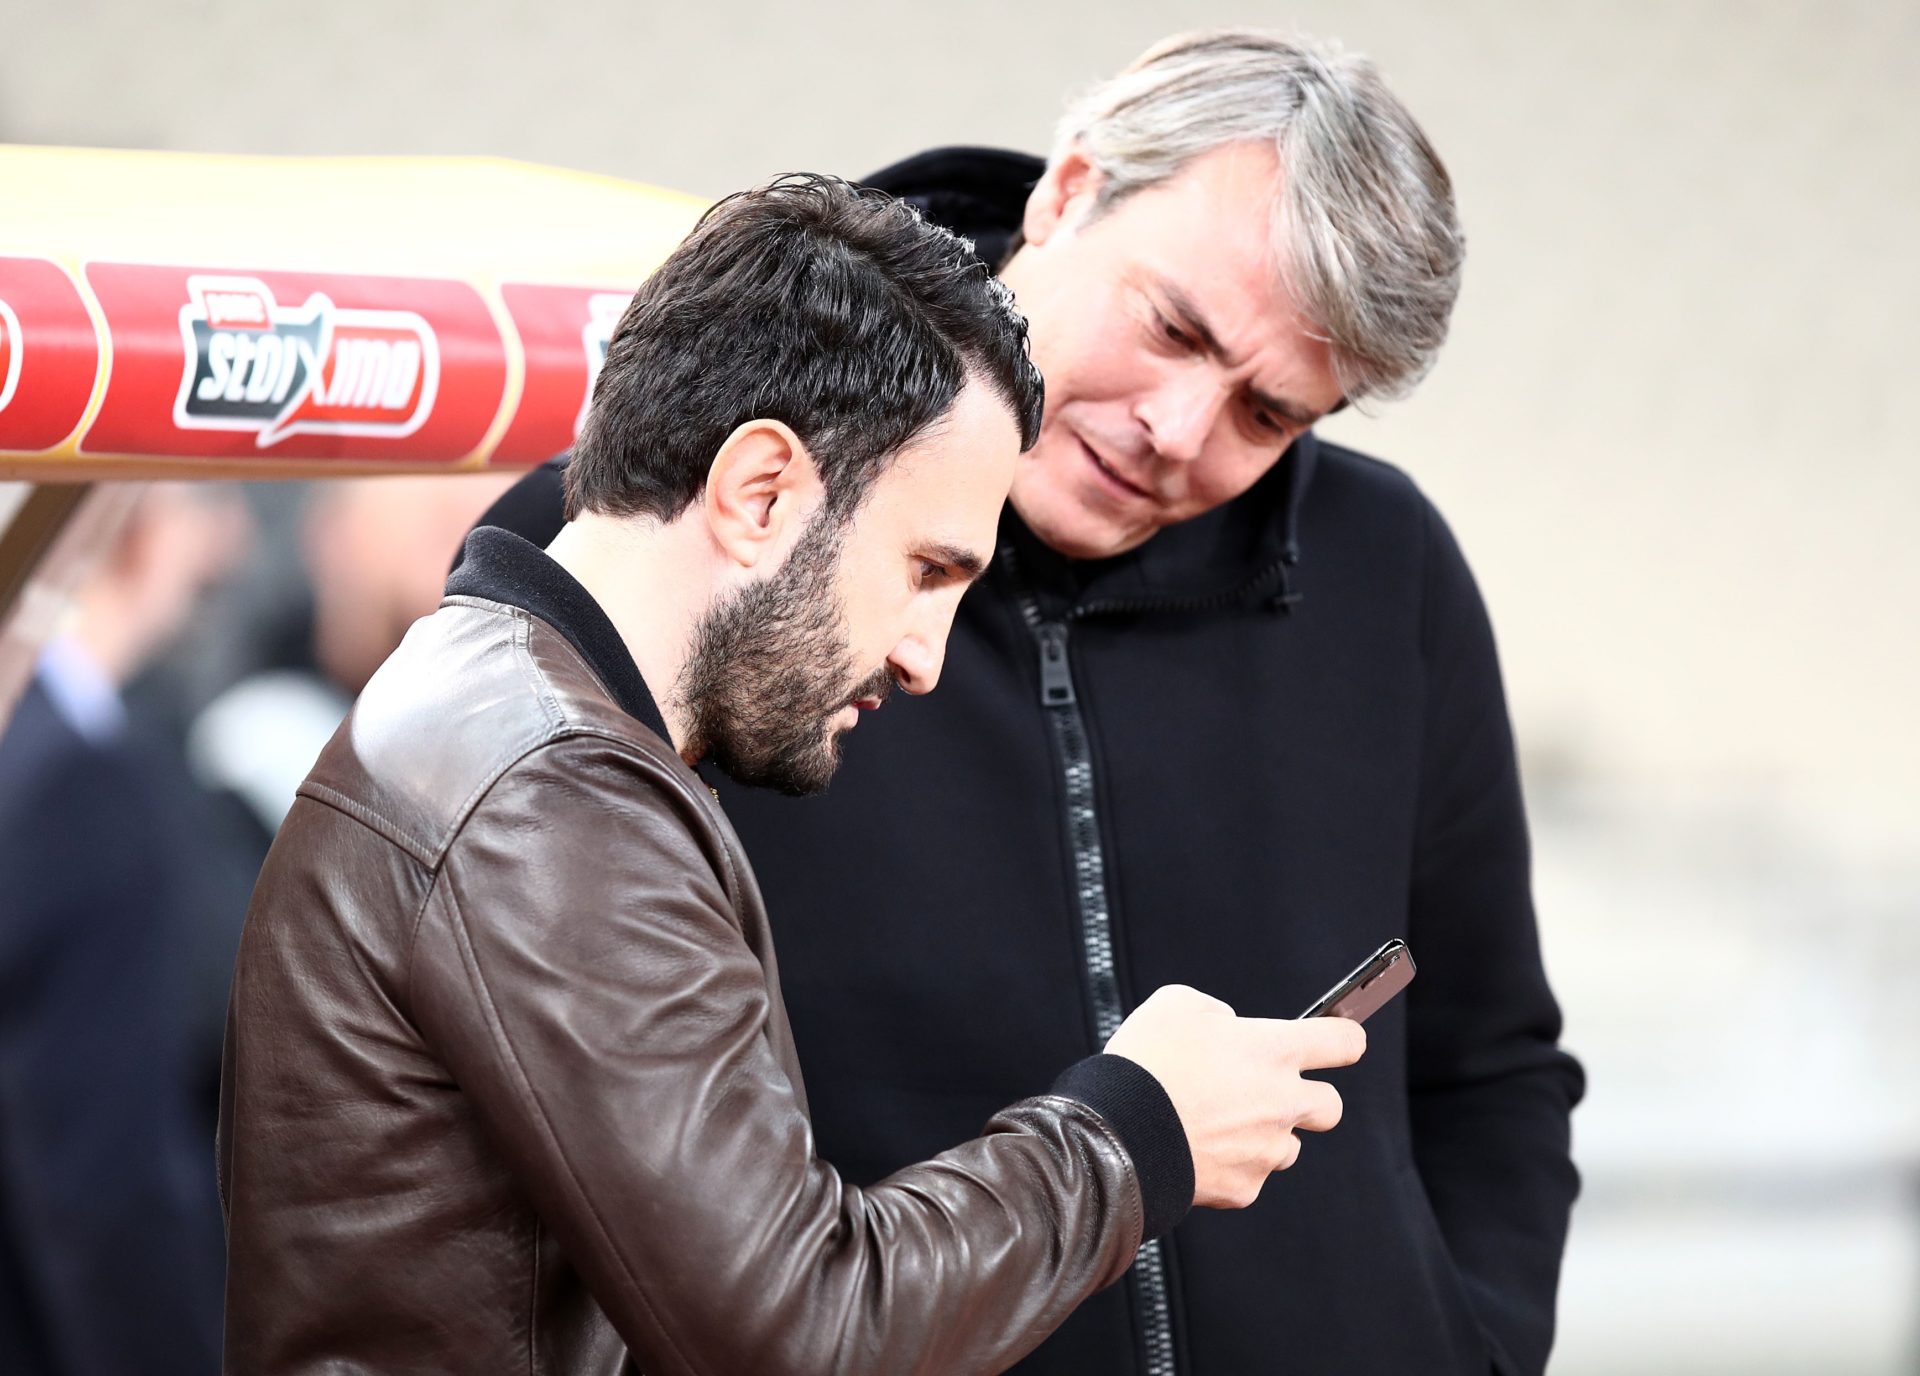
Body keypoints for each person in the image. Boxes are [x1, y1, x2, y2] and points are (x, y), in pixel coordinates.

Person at [474, 30, 1585, 1376]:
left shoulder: (1384, 567)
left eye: (1268, 414)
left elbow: (1492, 1065)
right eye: (1174, 329)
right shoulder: (664, 538)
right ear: (1067, 192)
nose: (1181, 429)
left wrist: (1473, 1348)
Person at [221, 174, 1367, 1374]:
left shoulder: (505, 722)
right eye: (926, 569)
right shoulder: (548, 794)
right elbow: (797, 1332)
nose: (925, 656)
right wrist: (1134, 1134)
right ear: (760, 491)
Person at [0, 484, 253, 1375]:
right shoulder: (73, 783)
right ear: (132, 526)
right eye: (203, 504)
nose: (230, 542)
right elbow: (104, 1182)